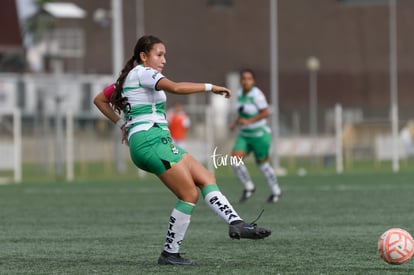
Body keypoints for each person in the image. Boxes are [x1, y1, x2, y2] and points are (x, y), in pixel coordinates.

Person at [93, 35, 271, 266]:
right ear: (143, 56)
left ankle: (236, 223)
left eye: (164, 54)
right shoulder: (145, 72)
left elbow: (99, 100)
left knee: (205, 176)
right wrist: (211, 87)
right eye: (159, 54)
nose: (164, 60)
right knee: (189, 195)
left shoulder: (128, 77)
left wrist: (123, 126)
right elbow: (176, 87)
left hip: (156, 140)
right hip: (150, 141)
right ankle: (169, 254)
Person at [229, 69, 282, 203]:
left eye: (249, 79)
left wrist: (249, 121)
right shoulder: (240, 93)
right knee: (235, 160)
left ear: (253, 81)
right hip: (245, 135)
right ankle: (249, 187)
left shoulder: (257, 94)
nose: (246, 81)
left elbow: (265, 113)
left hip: (259, 135)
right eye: (243, 78)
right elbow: (242, 112)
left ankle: (276, 191)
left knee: (263, 165)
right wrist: (235, 123)